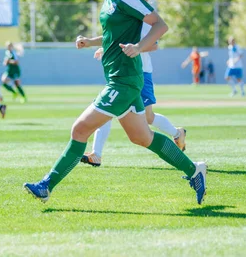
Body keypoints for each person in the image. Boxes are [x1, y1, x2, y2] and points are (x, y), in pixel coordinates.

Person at [23, 0, 206, 205]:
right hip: (120, 79)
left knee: (79, 129)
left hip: (124, 81)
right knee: (142, 137)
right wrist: (92, 42)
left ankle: (46, 185)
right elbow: (114, 36)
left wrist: (139, 47)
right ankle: (194, 170)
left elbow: (160, 25)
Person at [80, 17, 187, 168]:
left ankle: (177, 134)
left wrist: (135, 48)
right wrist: (92, 43)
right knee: (106, 110)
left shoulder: (141, 20)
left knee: (148, 117)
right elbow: (114, 37)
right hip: (123, 74)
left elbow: (154, 45)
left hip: (141, 73)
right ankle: (96, 154)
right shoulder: (125, 16)